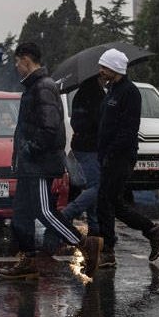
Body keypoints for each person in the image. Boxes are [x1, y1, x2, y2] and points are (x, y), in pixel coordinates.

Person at [0, 42, 102, 280]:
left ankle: (85, 244)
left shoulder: (43, 87)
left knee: (45, 211)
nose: (16, 66)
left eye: (17, 61)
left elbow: (50, 127)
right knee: (22, 214)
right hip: (29, 164)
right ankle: (28, 259)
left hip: (38, 163)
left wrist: (29, 149)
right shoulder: (34, 87)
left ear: (26, 60)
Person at [92, 48, 159, 269]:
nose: (100, 71)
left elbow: (127, 130)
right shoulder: (112, 91)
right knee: (112, 203)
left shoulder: (130, 92)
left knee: (106, 202)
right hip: (108, 157)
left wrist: (110, 153)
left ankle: (109, 251)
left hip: (120, 157)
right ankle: (154, 231)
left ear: (115, 68)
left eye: (104, 67)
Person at [43, 74, 103, 255]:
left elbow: (77, 123)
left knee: (92, 188)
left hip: (80, 147)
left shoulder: (80, 95)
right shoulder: (97, 96)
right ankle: (65, 217)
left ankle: (95, 229)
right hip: (91, 149)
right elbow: (99, 124)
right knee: (97, 188)